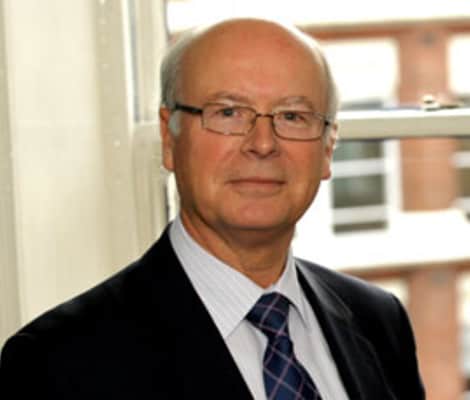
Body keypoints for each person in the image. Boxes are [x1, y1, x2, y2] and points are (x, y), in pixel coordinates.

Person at [0, 18, 425, 399]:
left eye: (293, 116)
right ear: (169, 138)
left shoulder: (378, 321)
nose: (263, 144)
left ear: (328, 148)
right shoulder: (57, 364)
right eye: (228, 112)